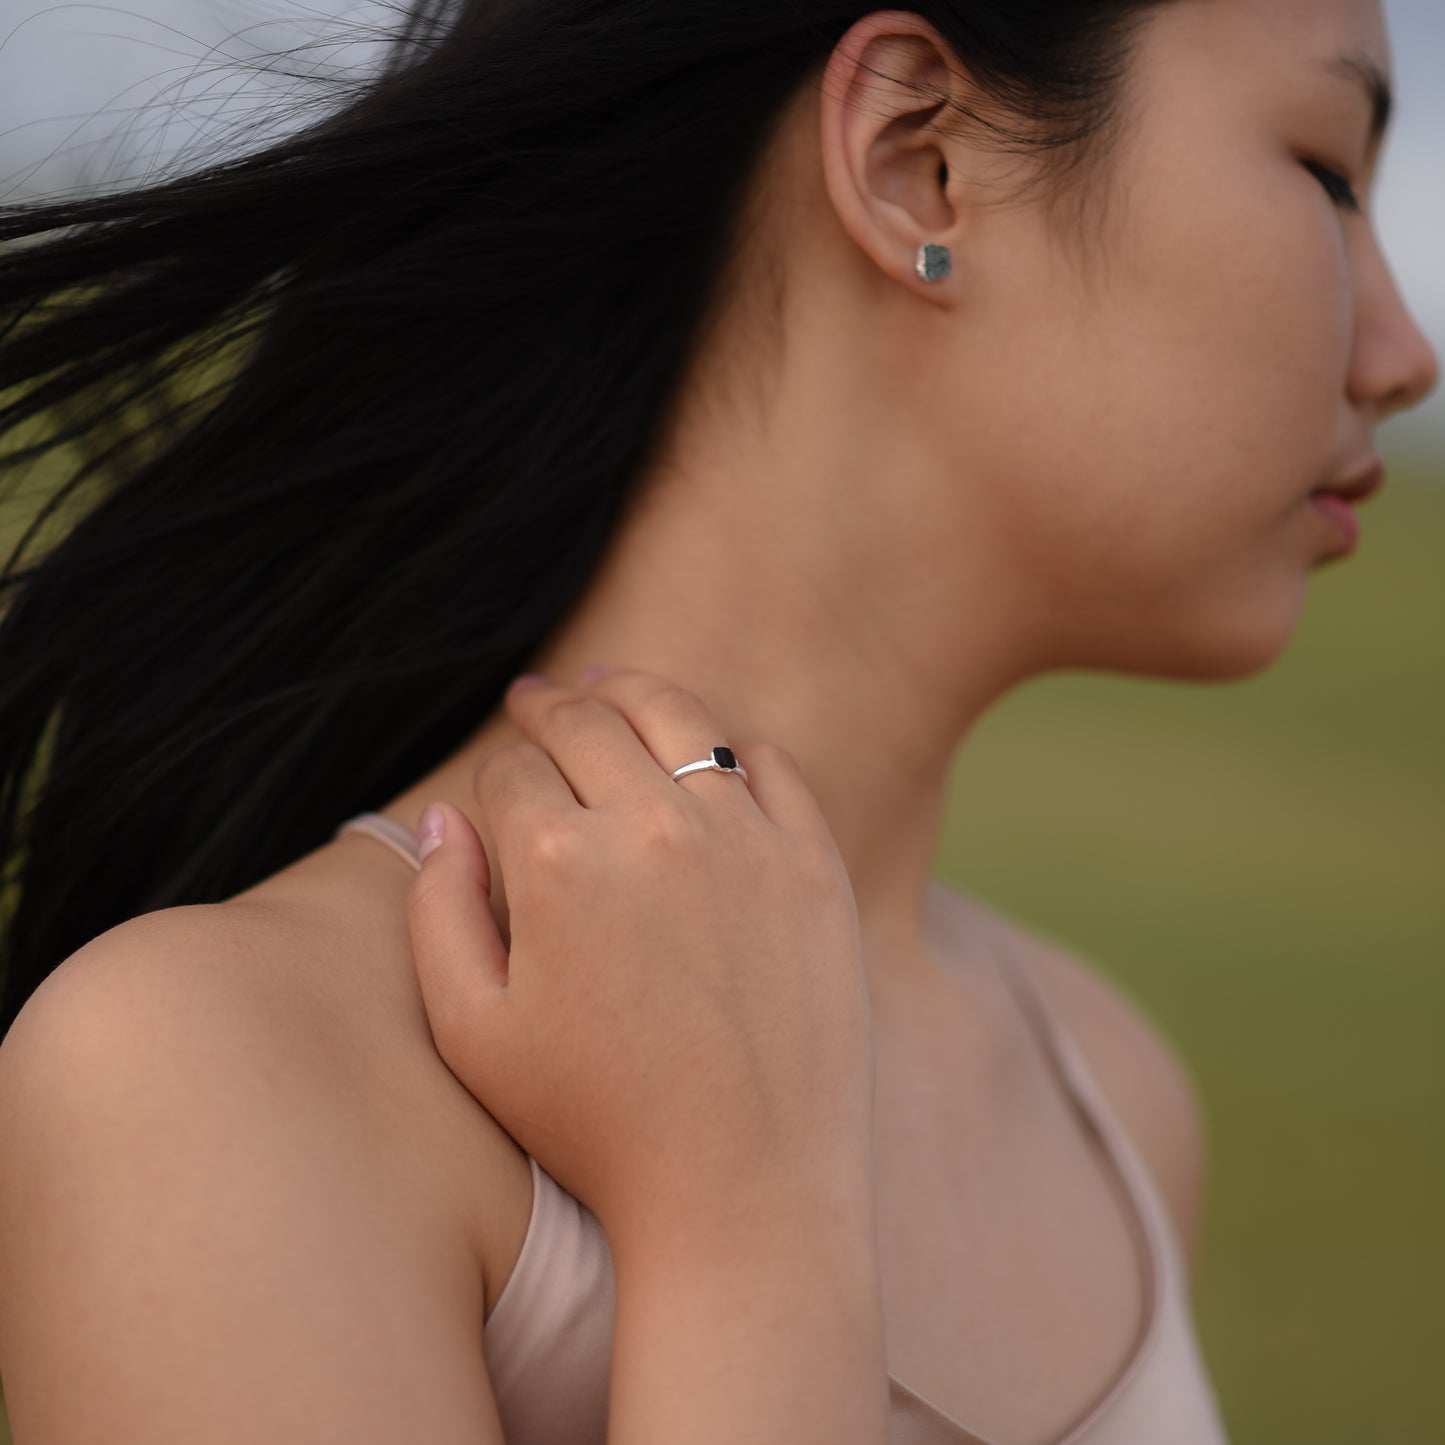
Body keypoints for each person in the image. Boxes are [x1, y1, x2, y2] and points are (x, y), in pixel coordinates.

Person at [0, 0, 1436, 1440]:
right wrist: (746, 1236)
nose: (1402, 351)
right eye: (1322, 173)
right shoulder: (209, 1084)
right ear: (916, 163)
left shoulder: (1108, 1092)